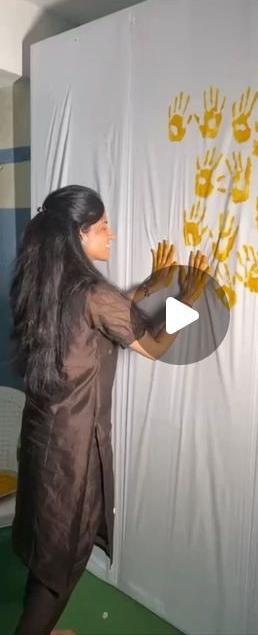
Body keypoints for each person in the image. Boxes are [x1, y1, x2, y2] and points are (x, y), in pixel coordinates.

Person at [9, 185, 209, 635]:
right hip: (72, 452)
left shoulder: (40, 280)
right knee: (64, 561)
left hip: (42, 439)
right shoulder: (92, 291)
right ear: (79, 234)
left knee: (48, 553)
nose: (112, 234)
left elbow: (104, 317)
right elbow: (152, 345)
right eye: (102, 226)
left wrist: (150, 287)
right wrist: (184, 303)